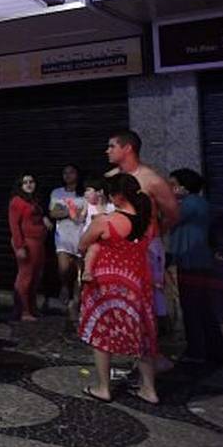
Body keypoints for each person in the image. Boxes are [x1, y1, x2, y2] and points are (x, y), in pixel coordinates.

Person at [79, 173, 159, 405]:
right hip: (138, 285)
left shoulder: (105, 221)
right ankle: (149, 389)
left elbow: (82, 243)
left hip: (106, 286)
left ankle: (104, 387)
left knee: (102, 333)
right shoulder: (147, 222)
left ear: (116, 195)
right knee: (142, 334)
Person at [106, 130, 179, 340]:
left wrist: (154, 234)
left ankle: (155, 349)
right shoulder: (111, 179)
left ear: (127, 148)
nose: (107, 151)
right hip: (118, 249)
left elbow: (172, 213)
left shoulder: (152, 180)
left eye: (112, 146)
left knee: (151, 300)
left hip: (146, 247)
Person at [168, 168, 223, 364]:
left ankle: (197, 350)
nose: (171, 189)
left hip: (191, 259)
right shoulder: (199, 203)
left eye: (173, 185)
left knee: (192, 306)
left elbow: (169, 219)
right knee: (202, 306)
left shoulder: (190, 204)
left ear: (183, 187)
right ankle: (213, 349)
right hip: (198, 259)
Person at [8, 174, 52, 321]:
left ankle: (32, 308)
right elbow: (14, 225)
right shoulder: (17, 201)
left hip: (38, 242)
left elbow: (38, 216)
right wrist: (20, 246)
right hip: (27, 242)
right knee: (25, 276)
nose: (28, 185)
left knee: (35, 277)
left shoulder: (34, 200)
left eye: (31, 182)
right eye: (25, 182)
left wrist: (44, 219)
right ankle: (23, 310)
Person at [49, 164, 85, 311]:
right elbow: (53, 213)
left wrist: (65, 211)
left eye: (71, 172)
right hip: (63, 235)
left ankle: (76, 298)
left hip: (80, 234)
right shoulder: (57, 193)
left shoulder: (83, 194)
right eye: (65, 173)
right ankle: (64, 287)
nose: (68, 175)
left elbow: (83, 215)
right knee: (63, 267)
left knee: (79, 268)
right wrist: (71, 213)